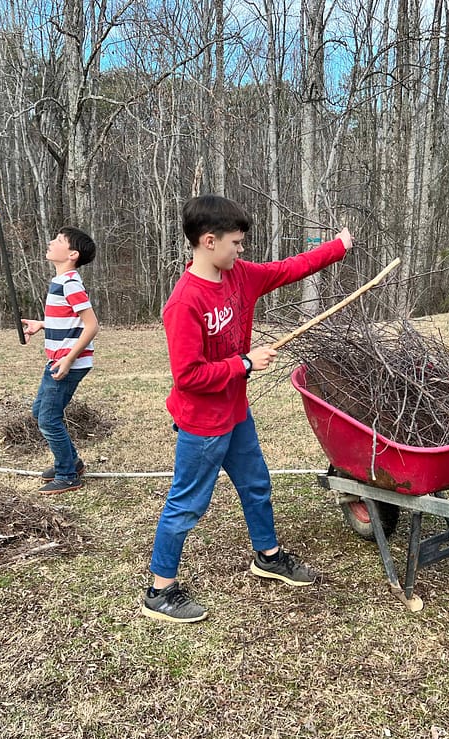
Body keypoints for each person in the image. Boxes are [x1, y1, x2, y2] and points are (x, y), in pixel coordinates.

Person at [142, 195, 354, 623]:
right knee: (187, 503)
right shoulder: (184, 303)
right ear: (208, 241)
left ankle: (268, 556)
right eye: (236, 243)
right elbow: (188, 376)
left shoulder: (238, 276)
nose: (241, 250)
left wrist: (338, 247)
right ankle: (159, 590)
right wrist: (243, 363)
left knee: (256, 483)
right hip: (202, 423)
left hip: (235, 411)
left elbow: (288, 269)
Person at [21, 226, 100, 495]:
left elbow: (91, 325)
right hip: (57, 361)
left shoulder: (71, 283)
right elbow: (69, 319)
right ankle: (71, 462)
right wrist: (41, 325)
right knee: (40, 412)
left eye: (58, 241)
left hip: (67, 364)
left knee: (48, 419)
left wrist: (67, 360)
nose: (51, 243)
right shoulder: (61, 282)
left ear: (72, 254)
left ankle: (68, 475)